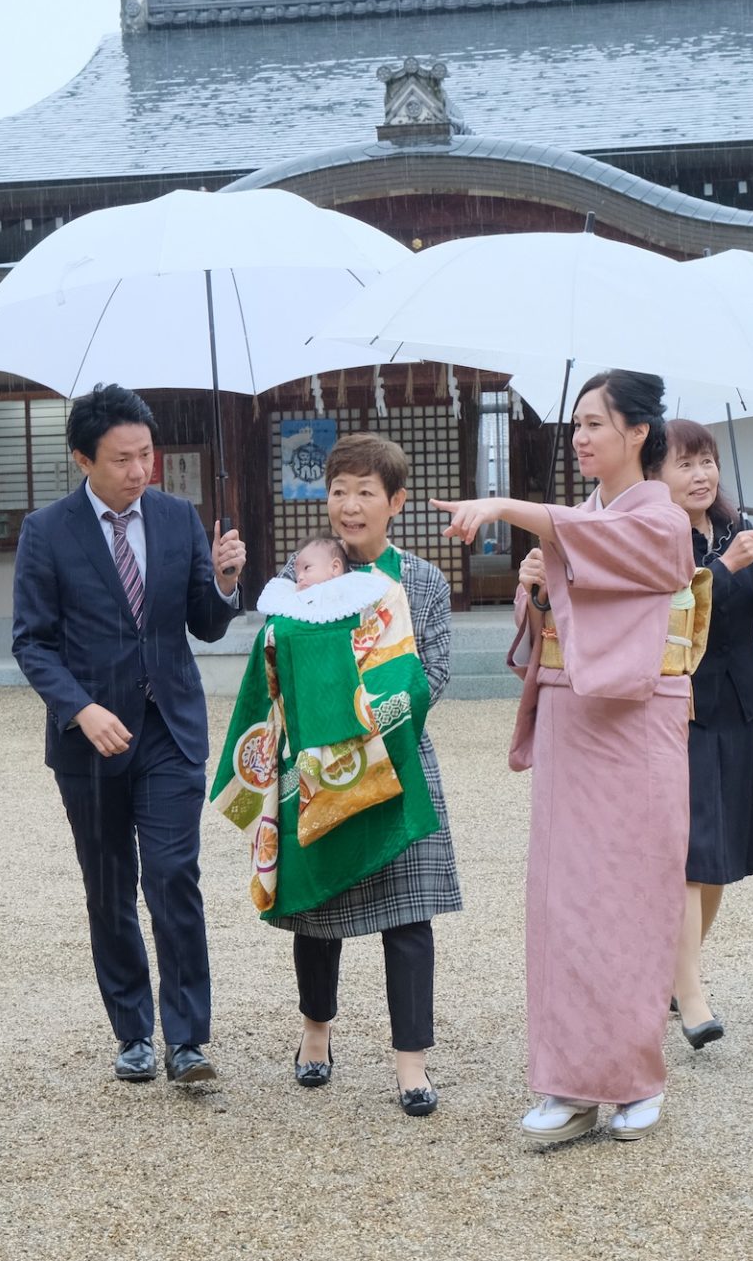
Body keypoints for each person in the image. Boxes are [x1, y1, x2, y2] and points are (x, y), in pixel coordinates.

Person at [433, 370, 694, 1145]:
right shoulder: (581, 518)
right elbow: (554, 605)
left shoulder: (662, 518)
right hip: (571, 720)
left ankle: (634, 1076)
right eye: (575, 425)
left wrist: (516, 513)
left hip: (638, 722)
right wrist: (538, 588)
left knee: (631, 898)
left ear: (638, 433)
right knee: (564, 902)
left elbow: (625, 556)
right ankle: (569, 1080)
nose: (581, 438)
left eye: (595, 423)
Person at [11, 383, 245, 1086]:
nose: (139, 469)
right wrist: (79, 709)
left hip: (171, 725)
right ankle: (132, 1030)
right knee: (109, 884)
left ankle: (189, 1037)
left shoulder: (177, 518)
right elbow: (32, 641)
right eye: (121, 459)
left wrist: (226, 581)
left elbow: (202, 621)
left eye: (146, 454)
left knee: (174, 876)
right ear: (83, 458)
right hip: (91, 738)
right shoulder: (46, 532)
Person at [274, 434, 461, 1118]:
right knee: (318, 908)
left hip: (402, 759)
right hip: (321, 765)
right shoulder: (306, 571)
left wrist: (374, 719)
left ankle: (411, 1063)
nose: (349, 506)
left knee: (410, 914)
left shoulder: (421, 581)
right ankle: (315, 1032)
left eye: (365, 492)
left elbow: (434, 673)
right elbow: (278, 660)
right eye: (338, 491)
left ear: (397, 502)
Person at [651, 419, 753, 1049]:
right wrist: (723, 568)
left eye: (705, 461)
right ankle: (692, 994)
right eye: (684, 464)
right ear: (656, 475)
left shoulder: (738, 531)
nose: (700, 474)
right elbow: (669, 617)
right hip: (684, 711)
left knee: (719, 860)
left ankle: (668, 978)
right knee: (689, 854)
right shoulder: (656, 539)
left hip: (741, 706)